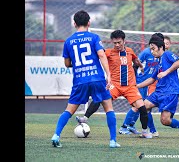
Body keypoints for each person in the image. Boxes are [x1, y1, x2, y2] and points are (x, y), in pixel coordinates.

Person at [51, 10, 120, 148]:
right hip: (97, 79)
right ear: (89, 23)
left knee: (69, 110)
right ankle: (112, 141)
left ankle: (56, 135)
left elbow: (66, 64)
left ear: (74, 23)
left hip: (80, 80)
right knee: (109, 108)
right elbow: (101, 55)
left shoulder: (69, 41)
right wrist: (109, 75)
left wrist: (77, 62)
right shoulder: (94, 38)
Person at [76, 29, 152, 138]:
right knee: (100, 97)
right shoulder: (108, 53)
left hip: (130, 87)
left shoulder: (130, 51)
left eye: (119, 42)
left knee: (142, 108)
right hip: (114, 85)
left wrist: (140, 66)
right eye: (114, 43)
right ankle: (85, 118)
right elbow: (98, 56)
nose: (117, 45)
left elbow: (135, 60)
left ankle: (144, 131)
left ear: (124, 41)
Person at [136, 35, 179, 138]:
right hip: (159, 92)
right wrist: (136, 86)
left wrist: (165, 72)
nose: (152, 52)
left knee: (165, 121)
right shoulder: (158, 61)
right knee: (143, 106)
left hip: (170, 92)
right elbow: (152, 79)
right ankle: (152, 131)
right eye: (151, 49)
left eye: (153, 49)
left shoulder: (167, 54)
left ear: (161, 47)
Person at [119, 34, 172, 137]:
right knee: (140, 106)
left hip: (151, 84)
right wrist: (134, 80)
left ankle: (131, 126)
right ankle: (124, 127)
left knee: (144, 107)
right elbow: (135, 64)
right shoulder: (147, 52)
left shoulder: (163, 55)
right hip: (142, 83)